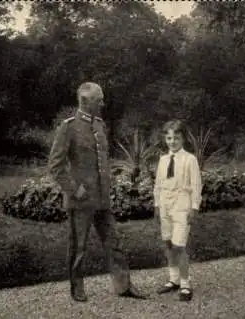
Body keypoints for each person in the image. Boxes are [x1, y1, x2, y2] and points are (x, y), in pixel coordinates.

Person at [48, 82, 147, 302]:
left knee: (114, 242)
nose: (103, 103)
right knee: (78, 247)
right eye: (98, 99)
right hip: (80, 200)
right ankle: (77, 289)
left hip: (102, 198)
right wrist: (74, 189)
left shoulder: (100, 125)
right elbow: (55, 165)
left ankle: (124, 286)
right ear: (85, 101)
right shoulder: (69, 127)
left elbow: (102, 162)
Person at [153, 120, 202, 302]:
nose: (172, 142)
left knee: (179, 245)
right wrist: (157, 205)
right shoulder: (163, 160)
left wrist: (194, 208)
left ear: (183, 139)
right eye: (169, 138)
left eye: (176, 138)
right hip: (166, 204)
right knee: (167, 243)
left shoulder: (190, 160)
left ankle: (185, 284)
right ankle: (173, 279)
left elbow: (196, 186)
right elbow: (158, 185)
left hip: (182, 205)